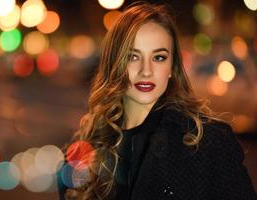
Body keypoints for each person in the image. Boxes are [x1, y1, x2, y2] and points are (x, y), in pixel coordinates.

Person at [57, 2, 257, 200]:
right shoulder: (81, 152)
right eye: (133, 57)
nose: (146, 70)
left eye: (159, 57)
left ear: (172, 67)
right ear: (114, 64)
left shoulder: (211, 144)